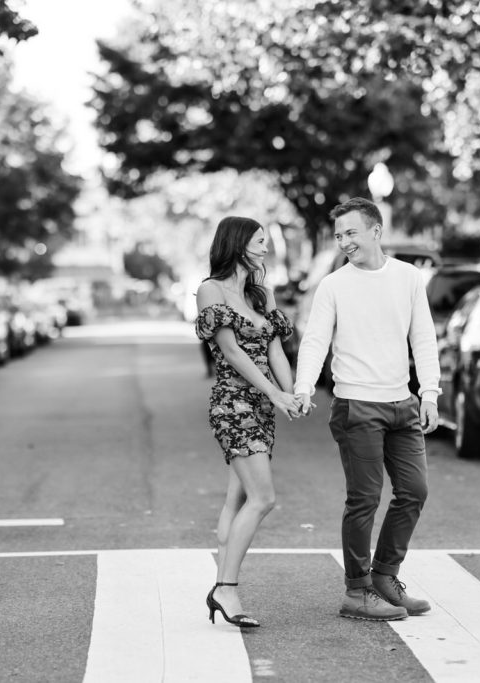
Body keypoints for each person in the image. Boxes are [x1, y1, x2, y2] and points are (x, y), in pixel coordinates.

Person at [294, 197, 441, 622]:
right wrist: (304, 387)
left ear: (376, 231)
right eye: (339, 235)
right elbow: (316, 340)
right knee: (364, 500)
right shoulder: (334, 285)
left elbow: (424, 338)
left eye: (351, 233)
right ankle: (356, 591)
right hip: (356, 404)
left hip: (401, 403)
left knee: (414, 491)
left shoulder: (409, 278)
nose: (344, 242)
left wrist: (429, 392)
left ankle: (384, 576)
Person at [194, 216, 301, 629]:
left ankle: (223, 579)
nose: (265, 248)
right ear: (238, 244)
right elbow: (233, 353)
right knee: (264, 498)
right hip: (233, 405)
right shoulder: (210, 290)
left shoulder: (261, 294)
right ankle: (225, 588)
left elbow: (275, 349)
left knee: (237, 500)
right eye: (259, 241)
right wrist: (274, 393)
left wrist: (291, 394)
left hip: (261, 410)